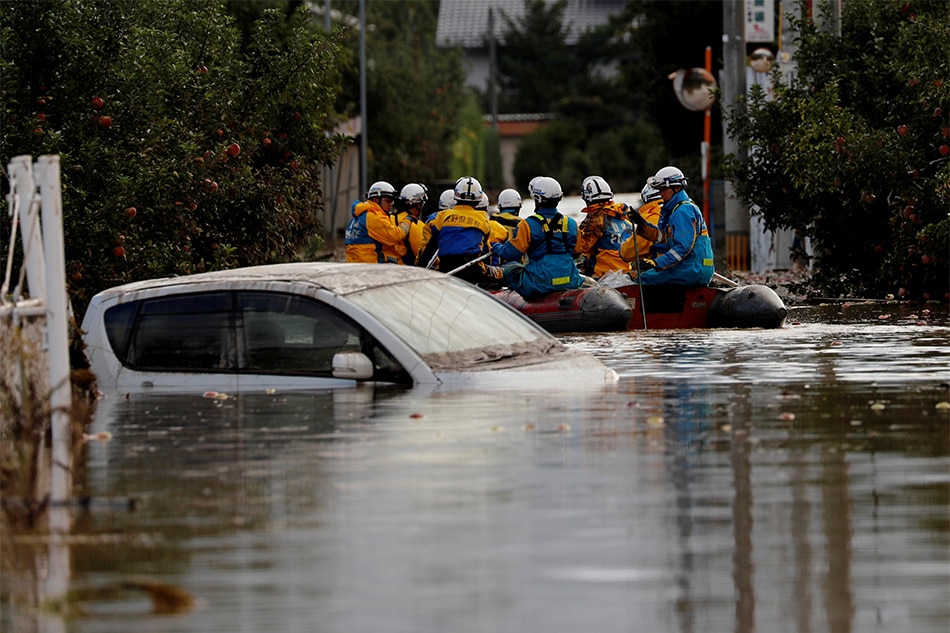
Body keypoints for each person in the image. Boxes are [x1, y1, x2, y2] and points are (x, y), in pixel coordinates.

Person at [490, 176, 583, 298]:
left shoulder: (527, 224)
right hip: (570, 280)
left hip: (539, 284)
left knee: (509, 269)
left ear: (537, 199)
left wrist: (496, 247)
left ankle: (514, 296)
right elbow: (577, 252)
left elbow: (511, 254)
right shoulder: (571, 223)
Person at [624, 166, 714, 285]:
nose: (661, 193)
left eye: (664, 189)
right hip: (692, 266)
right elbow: (664, 238)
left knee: (642, 279)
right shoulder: (677, 209)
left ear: (677, 187)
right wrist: (643, 226)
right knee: (647, 275)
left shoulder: (683, 210)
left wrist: (657, 263)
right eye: (659, 190)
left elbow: (682, 247)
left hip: (691, 269)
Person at [417, 176, 499, 286]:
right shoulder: (484, 220)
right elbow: (485, 248)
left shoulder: (440, 217)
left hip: (446, 268)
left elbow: (427, 249)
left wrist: (419, 269)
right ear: (478, 201)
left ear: (455, 197)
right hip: (472, 269)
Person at [574, 176, 633, 279]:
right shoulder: (625, 219)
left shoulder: (595, 220)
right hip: (626, 274)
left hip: (602, 276)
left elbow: (578, 249)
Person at [344, 181, 411, 264]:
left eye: (392, 201)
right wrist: (408, 220)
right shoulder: (373, 217)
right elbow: (395, 236)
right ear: (376, 200)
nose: (391, 204)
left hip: (355, 266)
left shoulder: (358, 217)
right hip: (370, 269)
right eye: (388, 201)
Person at [619, 181, 663, 262]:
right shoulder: (676, 211)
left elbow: (626, 254)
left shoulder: (651, 218)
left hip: (662, 270)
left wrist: (626, 236)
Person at [395, 183, 428, 265]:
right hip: (406, 271)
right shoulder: (415, 224)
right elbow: (423, 254)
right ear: (418, 204)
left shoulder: (391, 217)